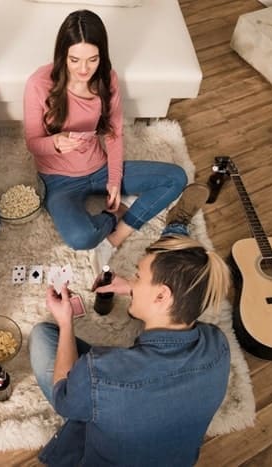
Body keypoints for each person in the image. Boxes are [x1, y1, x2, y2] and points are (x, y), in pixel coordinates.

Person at [28, 185, 230, 466]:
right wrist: (133, 290)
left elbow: (64, 398)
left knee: (41, 335)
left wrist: (65, 324)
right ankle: (176, 226)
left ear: (161, 296)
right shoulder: (217, 344)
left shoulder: (101, 371)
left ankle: (176, 227)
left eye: (138, 276)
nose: (132, 279)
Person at [23, 9, 187, 276]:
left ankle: (116, 236)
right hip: (59, 180)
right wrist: (55, 143)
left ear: (102, 56)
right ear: (62, 55)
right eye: (74, 60)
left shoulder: (107, 79)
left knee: (176, 178)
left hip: (98, 168)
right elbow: (32, 143)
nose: (84, 69)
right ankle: (116, 214)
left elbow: (114, 133)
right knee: (80, 238)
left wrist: (113, 179)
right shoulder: (39, 84)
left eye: (93, 59)